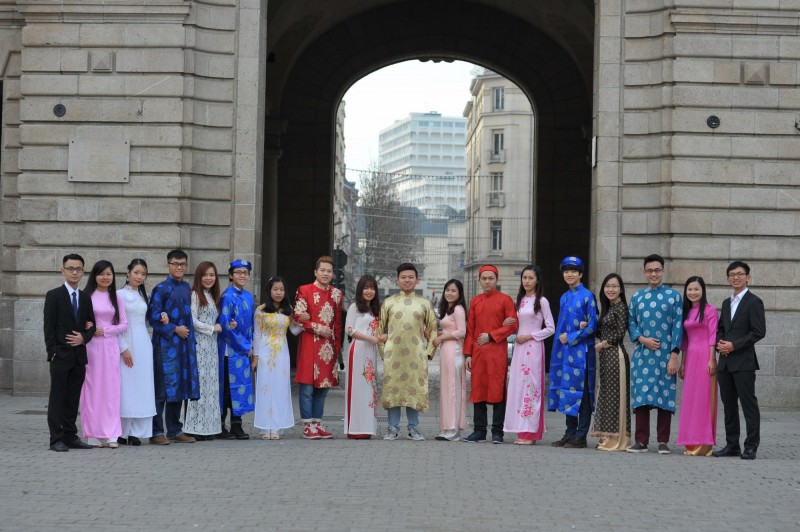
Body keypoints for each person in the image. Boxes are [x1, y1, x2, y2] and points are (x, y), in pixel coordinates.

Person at [627, 254, 683, 454]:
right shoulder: (637, 297)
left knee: (664, 397)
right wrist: (642, 339)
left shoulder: (674, 297)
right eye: (649, 270)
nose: (653, 274)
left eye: (657, 270)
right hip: (642, 354)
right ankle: (641, 440)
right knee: (641, 398)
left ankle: (663, 441)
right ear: (644, 272)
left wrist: (674, 355)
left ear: (663, 271)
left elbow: (678, 327)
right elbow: (631, 322)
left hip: (665, 355)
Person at [377, 263, 438, 441]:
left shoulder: (425, 303)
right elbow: (379, 330)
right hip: (393, 355)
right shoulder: (388, 302)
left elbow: (433, 328)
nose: (407, 280)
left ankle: (414, 428)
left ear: (417, 280)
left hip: (416, 355)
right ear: (397, 280)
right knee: (393, 392)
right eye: (403, 277)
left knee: (414, 391)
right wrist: (383, 352)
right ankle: (392, 428)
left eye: (411, 277)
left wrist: (428, 352)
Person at [713, 261, 766, 461]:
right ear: (728, 279)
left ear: (748, 277)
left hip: (744, 362)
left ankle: (751, 446)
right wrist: (720, 343)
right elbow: (720, 328)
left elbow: (759, 332)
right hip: (725, 362)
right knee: (729, 405)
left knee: (748, 404)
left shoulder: (754, 302)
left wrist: (734, 345)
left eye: (740, 274)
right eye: (732, 274)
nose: (736, 277)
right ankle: (732, 445)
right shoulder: (727, 303)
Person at [44, 254, 97, 452]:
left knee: (73, 398)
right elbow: (48, 327)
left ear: (83, 272)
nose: (74, 272)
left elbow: (92, 326)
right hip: (60, 356)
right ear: (63, 271)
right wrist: (52, 353)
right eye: (70, 268)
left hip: (79, 357)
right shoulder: (54, 295)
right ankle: (55, 439)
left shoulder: (85, 298)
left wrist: (84, 337)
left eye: (78, 269)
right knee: (57, 398)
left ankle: (70, 435)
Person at [149, 249, 200, 445]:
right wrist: (174, 329)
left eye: (182, 265)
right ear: (168, 265)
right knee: (162, 390)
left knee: (178, 388)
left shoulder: (187, 288)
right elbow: (153, 318)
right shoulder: (161, 288)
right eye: (175, 264)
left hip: (184, 347)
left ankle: (175, 429)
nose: (179, 267)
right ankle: (156, 431)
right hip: (165, 347)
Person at [464, 264, 518, 444]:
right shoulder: (475, 301)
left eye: (491, 278)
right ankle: (479, 431)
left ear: (497, 280)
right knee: (478, 391)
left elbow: (513, 325)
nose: (487, 282)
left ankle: (497, 432)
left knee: (498, 391)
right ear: (479, 280)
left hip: (497, 353)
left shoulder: (505, 300)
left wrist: (492, 336)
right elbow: (470, 330)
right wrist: (468, 355)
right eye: (484, 278)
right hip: (478, 353)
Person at [548, 256, 597, 449]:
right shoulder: (564, 297)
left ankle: (581, 435)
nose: (569, 274)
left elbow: (592, 326)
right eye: (566, 271)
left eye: (573, 271)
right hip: (566, 353)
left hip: (582, 354)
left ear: (581, 274)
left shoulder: (588, 296)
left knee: (583, 395)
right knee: (568, 392)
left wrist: (571, 337)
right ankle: (569, 433)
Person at [294, 255, 343, 439]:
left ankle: (317, 423)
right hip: (309, 344)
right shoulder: (304, 290)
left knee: (323, 387)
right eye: (322, 270)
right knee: (307, 387)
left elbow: (337, 323)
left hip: (329, 347)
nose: (325, 273)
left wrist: (337, 349)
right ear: (315, 272)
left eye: (329, 271)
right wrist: (317, 327)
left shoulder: (337, 294)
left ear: (333, 274)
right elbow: (298, 315)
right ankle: (307, 425)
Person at [503, 266, 554, 445]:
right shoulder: (520, 300)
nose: (526, 281)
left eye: (530, 278)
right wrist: (508, 324)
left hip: (533, 347)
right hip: (519, 348)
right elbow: (516, 325)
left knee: (531, 388)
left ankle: (531, 433)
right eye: (524, 277)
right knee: (517, 387)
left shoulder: (542, 301)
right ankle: (520, 430)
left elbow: (550, 328)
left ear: (537, 280)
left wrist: (531, 335)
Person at [80, 260, 128, 448]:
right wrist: (88, 328)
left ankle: (112, 434)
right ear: (94, 276)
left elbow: (124, 324)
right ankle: (92, 433)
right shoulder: (86, 296)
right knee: (92, 389)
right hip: (91, 348)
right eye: (101, 274)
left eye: (109, 274)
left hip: (110, 347)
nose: (105, 277)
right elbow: (80, 321)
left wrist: (104, 330)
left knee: (111, 389)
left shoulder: (116, 298)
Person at [253, 276, 302, 440]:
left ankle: (277, 427)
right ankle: (264, 426)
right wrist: (256, 355)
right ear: (269, 290)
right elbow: (257, 334)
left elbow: (293, 331)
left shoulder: (288, 309)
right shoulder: (261, 310)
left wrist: (303, 325)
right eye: (275, 289)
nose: (279, 292)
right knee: (264, 387)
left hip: (282, 352)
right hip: (265, 351)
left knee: (280, 388)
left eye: (281, 290)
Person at [676, 276, 718, 456]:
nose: (693, 292)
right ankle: (690, 442)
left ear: (703, 291)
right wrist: (683, 362)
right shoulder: (685, 312)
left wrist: (712, 359)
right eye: (690, 289)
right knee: (690, 400)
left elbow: (712, 336)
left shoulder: (710, 310)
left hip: (704, 357)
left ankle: (704, 443)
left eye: (696, 289)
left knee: (703, 399)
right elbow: (685, 340)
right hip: (691, 357)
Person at [117, 259, 157, 446]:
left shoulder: (144, 296)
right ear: (128, 273)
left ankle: (137, 432)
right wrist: (123, 348)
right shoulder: (119, 295)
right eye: (136, 273)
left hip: (143, 344)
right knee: (126, 386)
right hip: (127, 343)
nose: (140, 277)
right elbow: (116, 324)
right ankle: (121, 431)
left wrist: (162, 317)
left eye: (143, 274)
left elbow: (146, 321)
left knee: (142, 386)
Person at [590, 273, 631, 451]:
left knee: (617, 397)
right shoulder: (608, 308)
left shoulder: (621, 308)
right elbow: (603, 332)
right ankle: (608, 437)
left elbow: (620, 333)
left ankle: (618, 440)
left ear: (621, 289)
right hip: (606, 356)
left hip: (616, 355)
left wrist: (603, 344)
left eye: (614, 286)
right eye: (607, 286)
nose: (611, 289)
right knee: (607, 397)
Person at [183, 261, 223, 441]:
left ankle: (208, 427)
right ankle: (193, 427)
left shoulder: (212, 296)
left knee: (210, 387)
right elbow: (192, 320)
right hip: (198, 345)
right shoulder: (195, 295)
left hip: (211, 348)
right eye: (205, 275)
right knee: (198, 386)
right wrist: (211, 328)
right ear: (199, 277)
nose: (209, 278)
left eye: (212, 275)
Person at [218, 259, 256, 440]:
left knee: (241, 386)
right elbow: (225, 326)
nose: (242, 276)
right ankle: (220, 425)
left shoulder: (249, 296)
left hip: (244, 350)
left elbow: (251, 325)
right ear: (231, 275)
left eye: (245, 273)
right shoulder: (227, 296)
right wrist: (244, 346)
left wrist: (251, 346)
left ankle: (237, 424)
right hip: (230, 351)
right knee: (228, 389)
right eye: (239, 272)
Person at [342, 275, 381, 439]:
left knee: (369, 390)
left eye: (372, 288)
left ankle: (367, 427)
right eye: (366, 288)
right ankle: (355, 428)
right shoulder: (354, 308)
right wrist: (369, 338)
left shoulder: (376, 310)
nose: (369, 291)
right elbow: (349, 330)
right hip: (357, 351)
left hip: (371, 353)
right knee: (356, 389)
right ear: (360, 290)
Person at [433, 279, 468, 442]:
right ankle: (446, 427)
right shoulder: (447, 309)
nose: (449, 293)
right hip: (446, 350)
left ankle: (453, 430)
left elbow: (462, 331)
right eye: (447, 290)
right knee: (446, 390)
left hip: (454, 350)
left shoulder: (459, 309)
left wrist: (442, 337)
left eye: (453, 290)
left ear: (460, 293)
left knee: (453, 389)